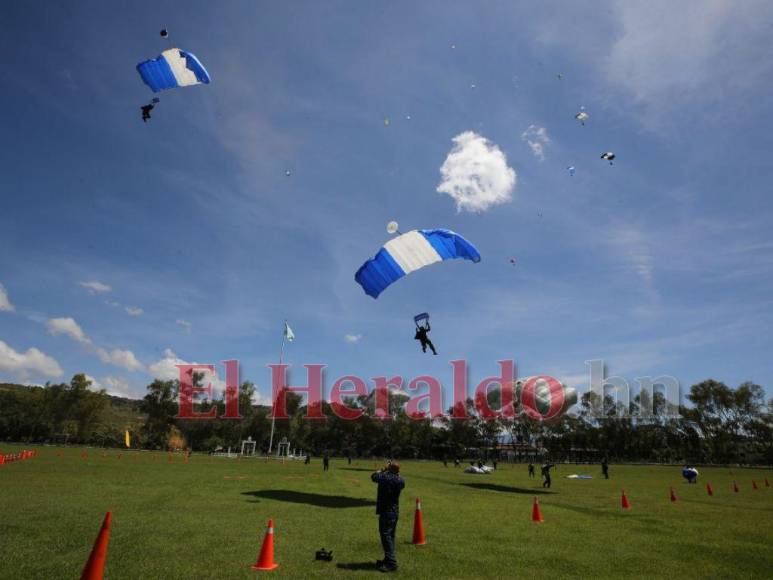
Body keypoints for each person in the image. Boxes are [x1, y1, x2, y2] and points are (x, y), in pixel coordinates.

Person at [371, 462, 405, 573]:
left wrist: (383, 469)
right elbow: (400, 479)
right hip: (394, 512)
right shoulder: (400, 480)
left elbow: (374, 476)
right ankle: (387, 559)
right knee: (390, 536)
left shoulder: (385, 477)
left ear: (390, 468)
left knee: (386, 536)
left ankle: (391, 563)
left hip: (386, 511)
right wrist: (392, 469)